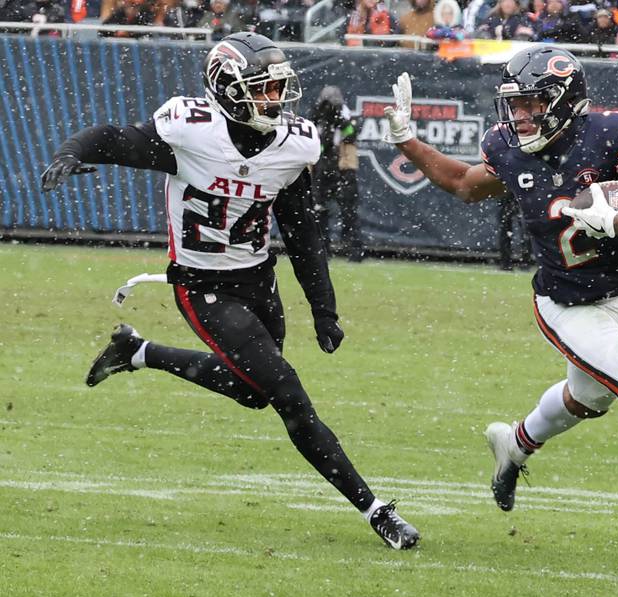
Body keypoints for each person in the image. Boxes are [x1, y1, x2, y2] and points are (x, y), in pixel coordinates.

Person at [40, 32, 419, 551]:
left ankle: (138, 352)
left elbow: (303, 234)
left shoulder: (291, 146)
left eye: (279, 88)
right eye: (264, 90)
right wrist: (70, 152)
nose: (276, 100)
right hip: (202, 286)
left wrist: (323, 309)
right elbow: (116, 138)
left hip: (258, 281)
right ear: (228, 89)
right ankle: (377, 511)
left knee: (253, 393)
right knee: (287, 392)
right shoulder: (191, 134)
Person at [382, 46, 618, 560]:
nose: (522, 115)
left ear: (567, 101)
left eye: (534, 103)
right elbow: (464, 184)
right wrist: (408, 141)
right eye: (516, 104)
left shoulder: (610, 134)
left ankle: (515, 444)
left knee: (587, 399)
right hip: (566, 304)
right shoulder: (508, 147)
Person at [310, 85, 364, 262]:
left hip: (344, 170)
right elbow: (316, 144)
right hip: (321, 170)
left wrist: (339, 118)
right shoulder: (316, 118)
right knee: (319, 212)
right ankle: (323, 250)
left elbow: (351, 134)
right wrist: (322, 120)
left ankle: (355, 251)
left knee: (349, 213)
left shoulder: (348, 117)